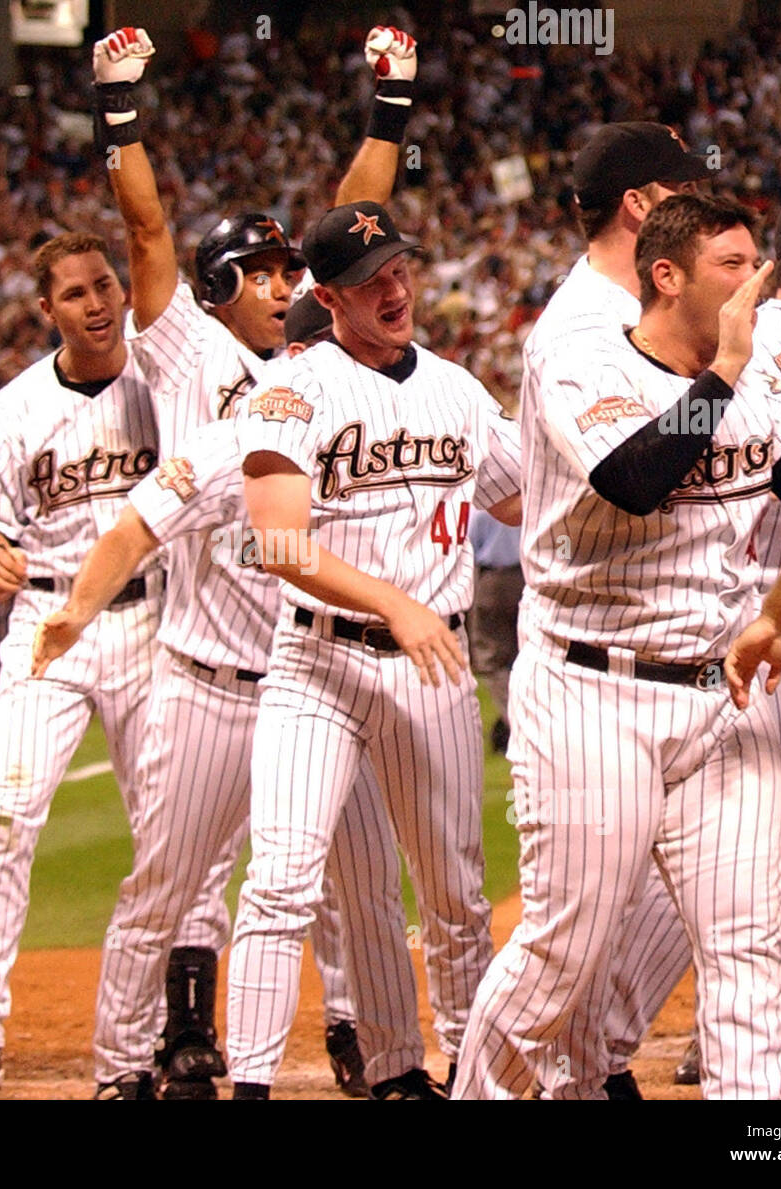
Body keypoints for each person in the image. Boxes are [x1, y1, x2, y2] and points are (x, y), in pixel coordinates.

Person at [452, 195, 781, 1100]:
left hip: (722, 698)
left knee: (744, 950)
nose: (754, 284)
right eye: (733, 264)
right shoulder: (582, 365)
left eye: (759, 264)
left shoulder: (761, 385)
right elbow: (634, 480)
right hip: (594, 689)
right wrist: (724, 381)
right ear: (666, 276)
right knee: (564, 948)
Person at [94, 23, 425, 1092]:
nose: (285, 277)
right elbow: (146, 231)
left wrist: (392, 103)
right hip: (199, 675)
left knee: (345, 886)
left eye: (292, 266)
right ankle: (139, 1055)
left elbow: (349, 208)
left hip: (313, 662)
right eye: (263, 267)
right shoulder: (187, 347)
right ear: (215, 287)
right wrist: (117, 108)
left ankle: (360, 1038)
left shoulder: (314, 350)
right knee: (172, 886)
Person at [31, 296, 423, 1101]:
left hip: (317, 686)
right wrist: (74, 610)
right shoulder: (230, 440)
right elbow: (133, 530)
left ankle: (390, 1059)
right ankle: (119, 1066)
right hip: (207, 691)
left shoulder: (379, 435)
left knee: (363, 887)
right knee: (165, 885)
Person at [575, 186, 781, 1098]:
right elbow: (646, 480)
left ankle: (711, 1064)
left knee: (735, 889)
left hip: (773, 619)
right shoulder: (764, 346)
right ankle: (760, 1073)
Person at [225, 201, 523, 1100]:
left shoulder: (459, 390)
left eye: (399, 268)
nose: (393, 289)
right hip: (317, 665)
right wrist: (394, 601)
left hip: (429, 669)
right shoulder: (291, 388)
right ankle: (255, 1085)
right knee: (283, 882)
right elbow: (277, 543)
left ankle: (461, 1070)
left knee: (455, 897)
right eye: (368, 280)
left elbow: (524, 500)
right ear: (327, 295)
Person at [0, 231, 237, 1097]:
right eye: (75, 293)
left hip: (155, 616)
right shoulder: (20, 405)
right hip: (49, 618)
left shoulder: (164, 377)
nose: (98, 304)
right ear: (46, 310)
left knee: (176, 835)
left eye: (105, 284)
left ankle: (181, 1021)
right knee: (5, 814)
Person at [464, 508, 522, 754]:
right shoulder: (528, 497)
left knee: (491, 660)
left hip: (493, 582)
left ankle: (518, 722)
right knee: (524, 657)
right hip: (528, 579)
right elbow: (563, 545)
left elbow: (466, 547)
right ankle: (519, 718)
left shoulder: (481, 507)